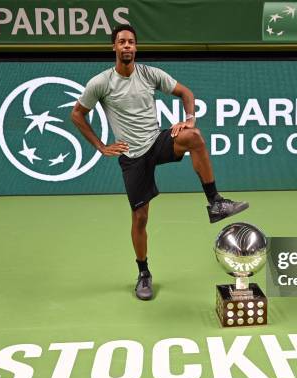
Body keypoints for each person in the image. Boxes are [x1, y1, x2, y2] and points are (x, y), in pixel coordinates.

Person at [71, 25, 248, 301]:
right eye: (121, 42)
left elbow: (186, 93)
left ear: (136, 47)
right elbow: (78, 115)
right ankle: (143, 273)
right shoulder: (101, 83)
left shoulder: (150, 74)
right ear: (114, 48)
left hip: (156, 141)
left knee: (194, 137)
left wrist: (189, 119)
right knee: (140, 218)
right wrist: (101, 146)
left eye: (131, 42)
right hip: (132, 155)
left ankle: (215, 202)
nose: (127, 46)